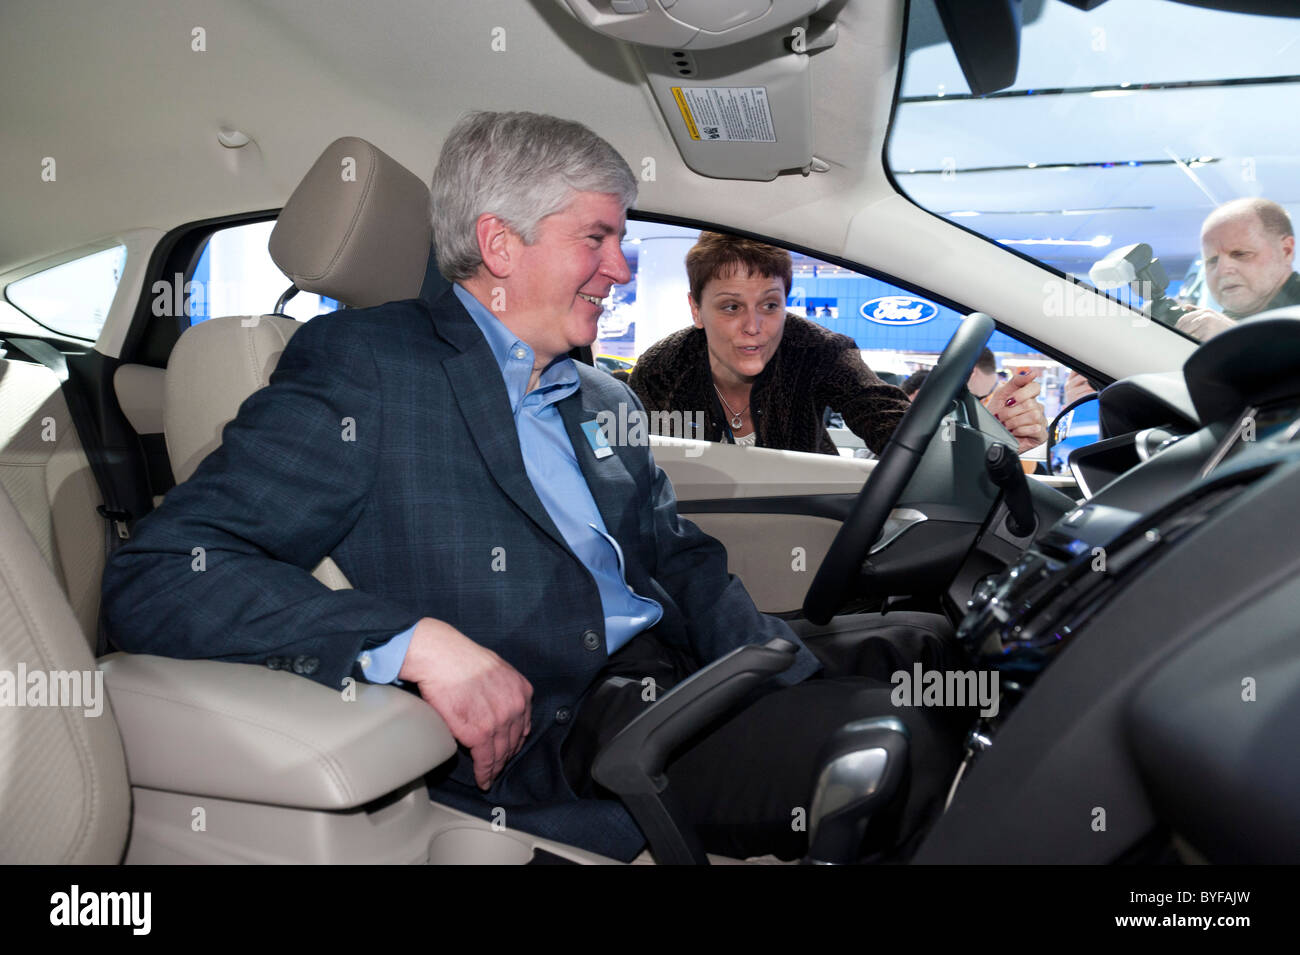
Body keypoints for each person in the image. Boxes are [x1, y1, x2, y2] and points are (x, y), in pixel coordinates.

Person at [101, 111, 969, 864]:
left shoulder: (600, 392)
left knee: (948, 651)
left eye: (621, 241)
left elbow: (680, 557)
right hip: (583, 726)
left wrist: (777, 666)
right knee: (904, 748)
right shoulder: (367, 370)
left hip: (688, 669)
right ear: (499, 244)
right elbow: (166, 571)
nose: (624, 269)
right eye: (597, 238)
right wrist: (412, 641)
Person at [628, 232, 1048, 455]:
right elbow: (630, 465)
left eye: (770, 305)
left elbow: (893, 426)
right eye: (731, 307)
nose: (754, 326)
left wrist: (980, 434)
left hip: (808, 523)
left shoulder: (817, 350)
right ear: (696, 310)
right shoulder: (662, 369)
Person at [1175, 197, 1300, 342]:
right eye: (1212, 260)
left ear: (1286, 250)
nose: (1221, 270)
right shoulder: (1214, 326)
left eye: (1240, 254)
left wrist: (1235, 339)